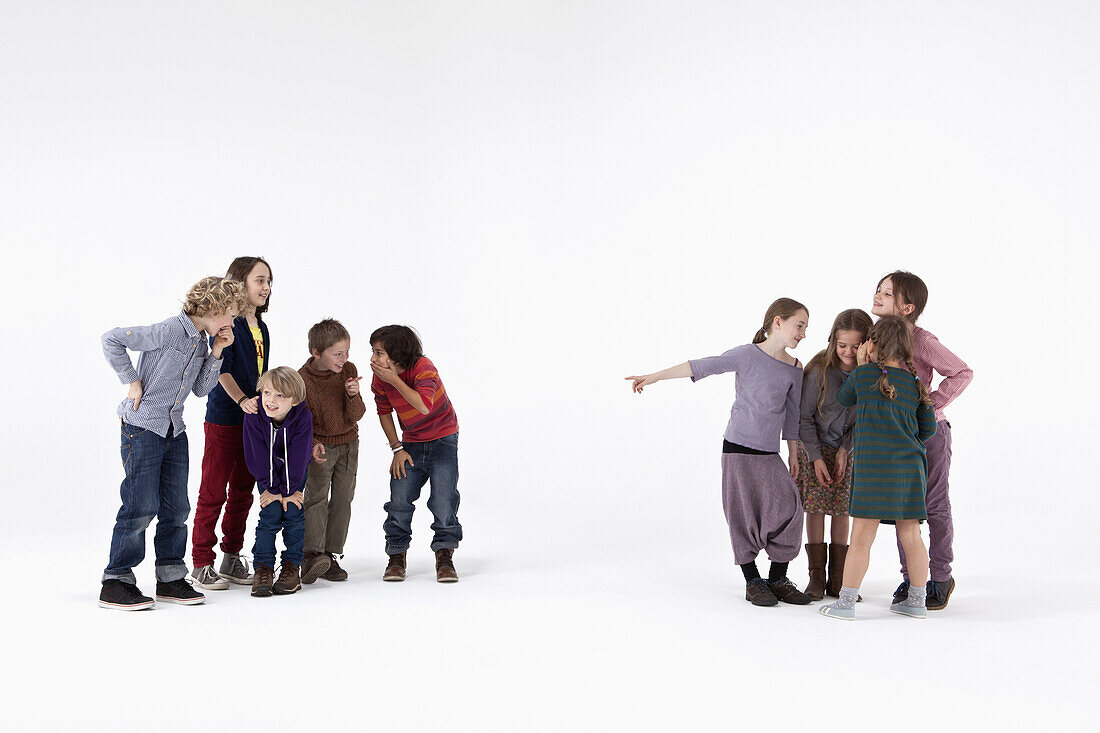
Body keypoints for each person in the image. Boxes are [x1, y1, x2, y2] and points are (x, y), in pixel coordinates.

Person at [625, 298, 813, 607]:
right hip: (738, 448)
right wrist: (654, 376)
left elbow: (792, 417)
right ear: (778, 322)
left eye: (806, 328)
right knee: (742, 515)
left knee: (790, 508)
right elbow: (702, 366)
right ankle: (753, 580)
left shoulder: (795, 368)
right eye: (800, 326)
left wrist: (793, 453)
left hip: (768, 453)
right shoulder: (747, 355)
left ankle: (777, 578)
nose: (803, 334)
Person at [98, 276, 245, 610]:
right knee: (140, 507)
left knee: (176, 508)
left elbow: (202, 389)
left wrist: (219, 350)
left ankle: (170, 577)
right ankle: (116, 580)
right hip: (142, 428)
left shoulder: (203, 343)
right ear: (214, 307)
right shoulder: (168, 330)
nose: (232, 322)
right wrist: (132, 382)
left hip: (173, 432)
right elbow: (111, 340)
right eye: (231, 315)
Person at [819, 316, 938, 621]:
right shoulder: (916, 386)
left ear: (873, 344)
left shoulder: (864, 376)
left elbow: (844, 400)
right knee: (911, 536)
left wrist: (860, 365)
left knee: (861, 537)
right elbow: (927, 431)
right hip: (910, 470)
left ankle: (845, 604)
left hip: (873, 469)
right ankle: (916, 601)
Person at [872, 271, 972, 610]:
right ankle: (912, 578)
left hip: (928, 435)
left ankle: (941, 577)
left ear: (907, 306)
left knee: (934, 505)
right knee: (904, 509)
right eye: (878, 289)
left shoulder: (923, 341)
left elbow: (962, 372)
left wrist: (930, 404)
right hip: (894, 436)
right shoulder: (872, 336)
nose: (878, 295)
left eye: (888, 293)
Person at [190, 256, 273, 589]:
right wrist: (241, 400)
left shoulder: (261, 327)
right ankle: (200, 563)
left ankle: (231, 558)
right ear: (240, 283)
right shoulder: (228, 324)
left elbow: (260, 374)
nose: (266, 288)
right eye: (260, 280)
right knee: (212, 493)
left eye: (269, 282)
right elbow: (221, 370)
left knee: (243, 493)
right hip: (224, 420)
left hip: (254, 422)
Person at [370, 325, 462, 583]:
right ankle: (397, 555)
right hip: (410, 443)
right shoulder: (380, 378)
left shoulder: (424, 367)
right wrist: (397, 448)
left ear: (397, 355)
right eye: (373, 352)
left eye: (379, 353)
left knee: (444, 500)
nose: (372, 359)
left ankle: (444, 553)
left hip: (443, 439)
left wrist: (394, 380)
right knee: (399, 499)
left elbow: (423, 405)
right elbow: (383, 412)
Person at [795, 309, 872, 600]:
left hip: (848, 449)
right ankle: (817, 575)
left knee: (841, 509)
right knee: (815, 507)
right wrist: (815, 457)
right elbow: (804, 419)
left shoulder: (870, 373)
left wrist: (844, 449)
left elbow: (864, 418)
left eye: (856, 346)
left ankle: (838, 577)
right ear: (832, 343)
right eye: (842, 346)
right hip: (814, 446)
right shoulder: (818, 371)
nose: (849, 352)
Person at [298, 319, 367, 584]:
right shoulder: (302, 379)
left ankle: (330, 554)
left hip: (348, 444)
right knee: (316, 498)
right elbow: (300, 421)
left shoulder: (348, 370)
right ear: (316, 353)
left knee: (342, 499)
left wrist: (353, 394)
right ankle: (311, 554)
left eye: (347, 351)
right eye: (338, 354)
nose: (345, 358)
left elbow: (357, 415)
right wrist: (313, 442)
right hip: (320, 446)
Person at [242, 367, 313, 597]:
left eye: (280, 396)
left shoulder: (303, 417)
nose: (271, 400)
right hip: (266, 477)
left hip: (294, 475)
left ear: (294, 400)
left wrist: (289, 491)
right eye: (267, 393)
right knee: (270, 513)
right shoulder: (254, 416)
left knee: (293, 513)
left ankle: (292, 566)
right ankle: (263, 568)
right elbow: (257, 456)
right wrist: (273, 491)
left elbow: (299, 455)